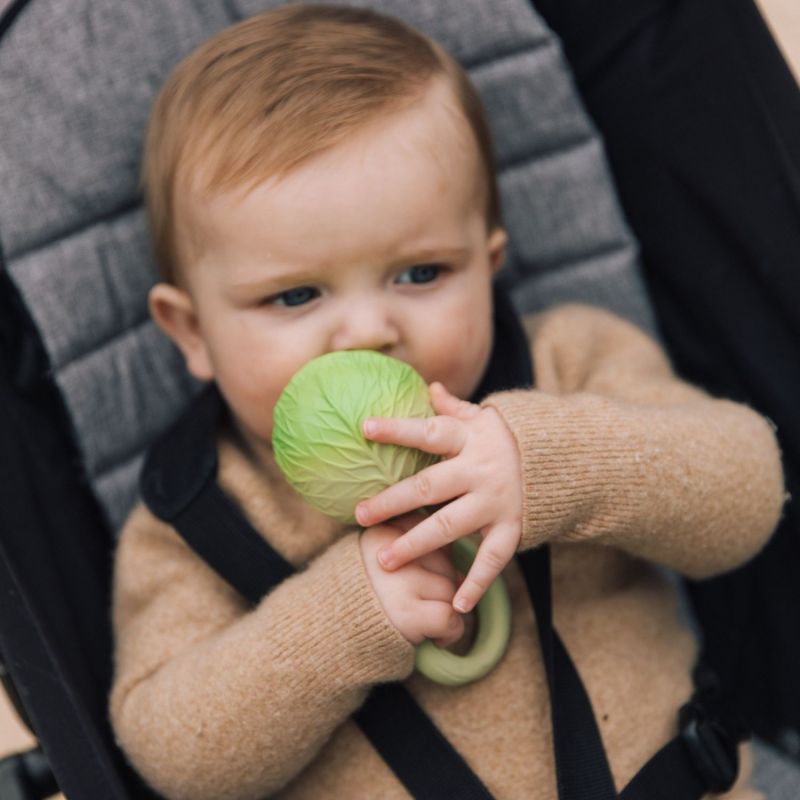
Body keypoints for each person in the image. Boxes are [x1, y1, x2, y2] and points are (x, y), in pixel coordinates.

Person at [109, 5, 785, 799]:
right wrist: (340, 623)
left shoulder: (565, 364)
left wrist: (558, 466)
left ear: (487, 265)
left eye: (421, 273)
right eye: (295, 295)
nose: (369, 329)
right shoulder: (200, 516)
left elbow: (749, 490)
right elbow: (176, 757)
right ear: (191, 332)